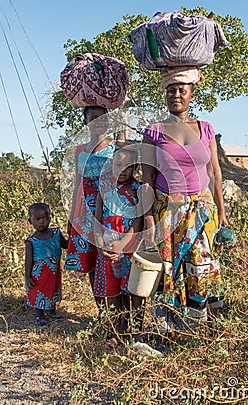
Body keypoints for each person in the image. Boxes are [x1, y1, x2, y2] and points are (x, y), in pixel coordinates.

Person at [141, 67, 228, 331]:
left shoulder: (206, 128)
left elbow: (214, 172)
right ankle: (166, 329)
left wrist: (221, 210)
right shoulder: (154, 132)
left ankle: (197, 328)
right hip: (167, 212)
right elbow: (147, 178)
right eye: (171, 90)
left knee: (200, 267)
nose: (176, 95)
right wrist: (147, 218)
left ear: (192, 94)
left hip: (202, 212)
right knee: (169, 269)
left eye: (182, 90)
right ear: (165, 95)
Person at [94, 141, 144, 348]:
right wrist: (99, 246)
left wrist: (123, 243)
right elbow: (97, 220)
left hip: (130, 247)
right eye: (117, 166)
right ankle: (116, 331)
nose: (121, 171)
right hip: (107, 249)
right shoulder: (104, 188)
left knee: (134, 292)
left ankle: (137, 332)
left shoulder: (139, 189)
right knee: (113, 293)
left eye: (127, 167)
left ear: (135, 168)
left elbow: (139, 220)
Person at [65, 106, 115, 294]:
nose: (98, 122)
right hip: (85, 213)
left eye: (103, 118)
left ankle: (115, 311)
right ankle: (102, 312)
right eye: (94, 118)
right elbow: (78, 186)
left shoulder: (116, 147)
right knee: (91, 261)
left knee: (109, 259)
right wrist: (72, 218)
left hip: (109, 210)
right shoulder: (80, 151)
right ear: (85, 122)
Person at [25, 203, 68, 328]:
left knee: (53, 290)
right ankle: (40, 315)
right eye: (37, 219)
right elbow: (28, 260)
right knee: (39, 292)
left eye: (45, 218)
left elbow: (65, 244)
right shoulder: (32, 241)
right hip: (38, 274)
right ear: (30, 221)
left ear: (50, 218)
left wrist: (75, 235)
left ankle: (52, 311)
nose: (42, 222)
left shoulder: (56, 233)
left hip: (53, 272)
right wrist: (28, 276)